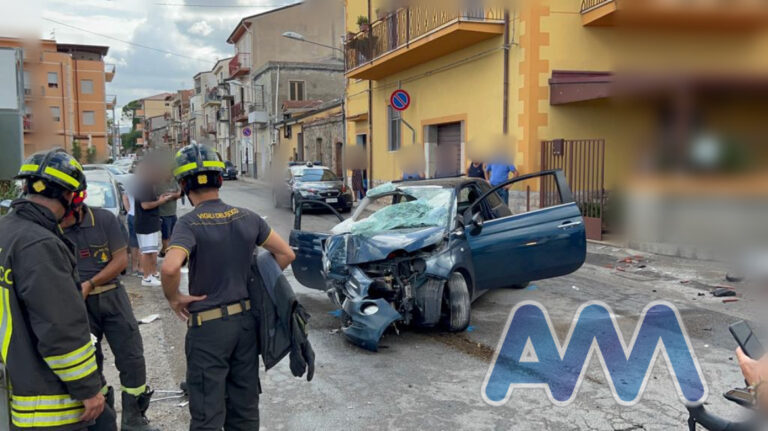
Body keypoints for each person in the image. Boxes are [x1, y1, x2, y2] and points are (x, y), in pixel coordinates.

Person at [161, 143, 295, 430]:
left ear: (183, 185)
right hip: (246, 325)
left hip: (209, 330)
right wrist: (256, 284)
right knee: (244, 410)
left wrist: (174, 298)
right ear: (219, 180)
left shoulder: (189, 223)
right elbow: (286, 254)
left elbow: (170, 267)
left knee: (208, 411)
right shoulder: (249, 217)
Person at [0, 149, 115, 430]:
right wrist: (88, 388)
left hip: (16, 386)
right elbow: (59, 327)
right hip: (48, 404)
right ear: (69, 196)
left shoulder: (6, 231)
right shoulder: (40, 245)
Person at [61, 192, 158, 431]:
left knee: (132, 357)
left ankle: (133, 419)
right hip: (77, 306)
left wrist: (90, 283)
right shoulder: (52, 229)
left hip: (112, 296)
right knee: (90, 362)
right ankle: (102, 419)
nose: (61, 222)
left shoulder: (103, 219)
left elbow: (120, 261)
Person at [133, 161, 174, 287]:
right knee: (147, 252)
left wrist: (158, 198)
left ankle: (151, 274)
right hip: (146, 224)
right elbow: (145, 205)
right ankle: (147, 277)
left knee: (150, 251)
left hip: (149, 223)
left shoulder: (147, 186)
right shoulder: (144, 186)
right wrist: (161, 201)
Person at [158, 175, 182, 256]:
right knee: (166, 235)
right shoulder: (159, 183)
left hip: (173, 213)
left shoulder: (174, 181)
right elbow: (157, 197)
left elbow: (180, 193)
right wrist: (172, 196)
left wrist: (170, 195)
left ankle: (164, 251)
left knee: (174, 234)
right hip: (163, 214)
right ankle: (166, 252)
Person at [122, 183, 141, 277]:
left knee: (134, 242)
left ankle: (135, 267)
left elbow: (124, 197)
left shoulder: (129, 185)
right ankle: (141, 267)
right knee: (142, 242)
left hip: (132, 215)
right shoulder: (144, 184)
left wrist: (129, 210)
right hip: (142, 215)